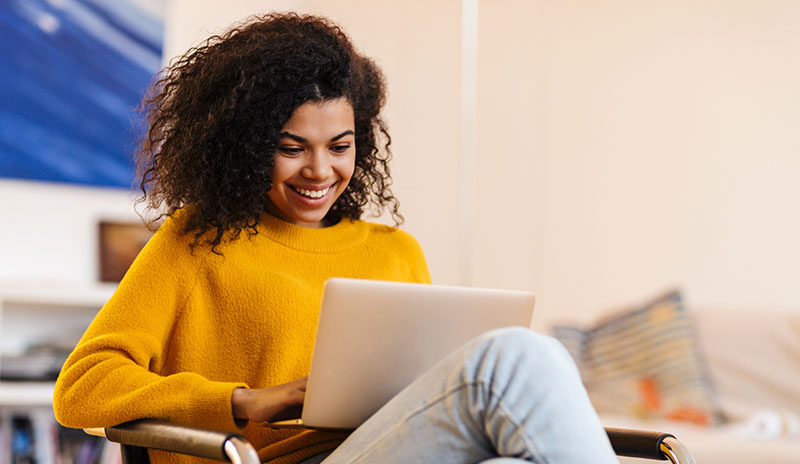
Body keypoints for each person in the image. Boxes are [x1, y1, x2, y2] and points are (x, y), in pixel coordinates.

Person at [53, 12, 618, 464]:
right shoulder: (198, 242)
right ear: (246, 145)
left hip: (389, 446)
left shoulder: (396, 252)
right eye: (292, 147)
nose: (320, 171)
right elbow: (81, 387)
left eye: (340, 146)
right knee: (519, 356)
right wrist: (241, 401)